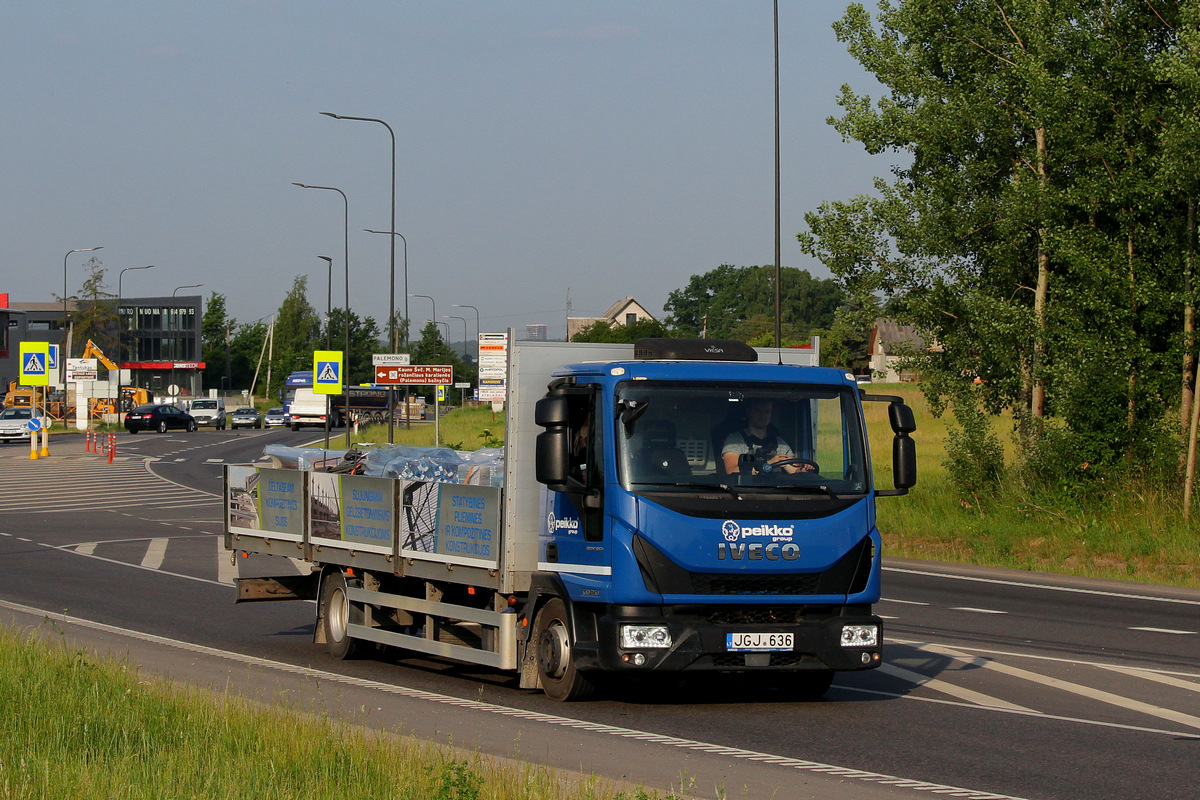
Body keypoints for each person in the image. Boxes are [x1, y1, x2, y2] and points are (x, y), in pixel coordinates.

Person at [721, 398, 815, 476]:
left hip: (774, 493)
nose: (763, 416)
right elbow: (732, 471)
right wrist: (768, 464)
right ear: (749, 412)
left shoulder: (779, 442)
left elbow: (794, 471)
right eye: (758, 411)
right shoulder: (735, 440)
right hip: (744, 492)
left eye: (767, 412)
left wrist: (803, 471)